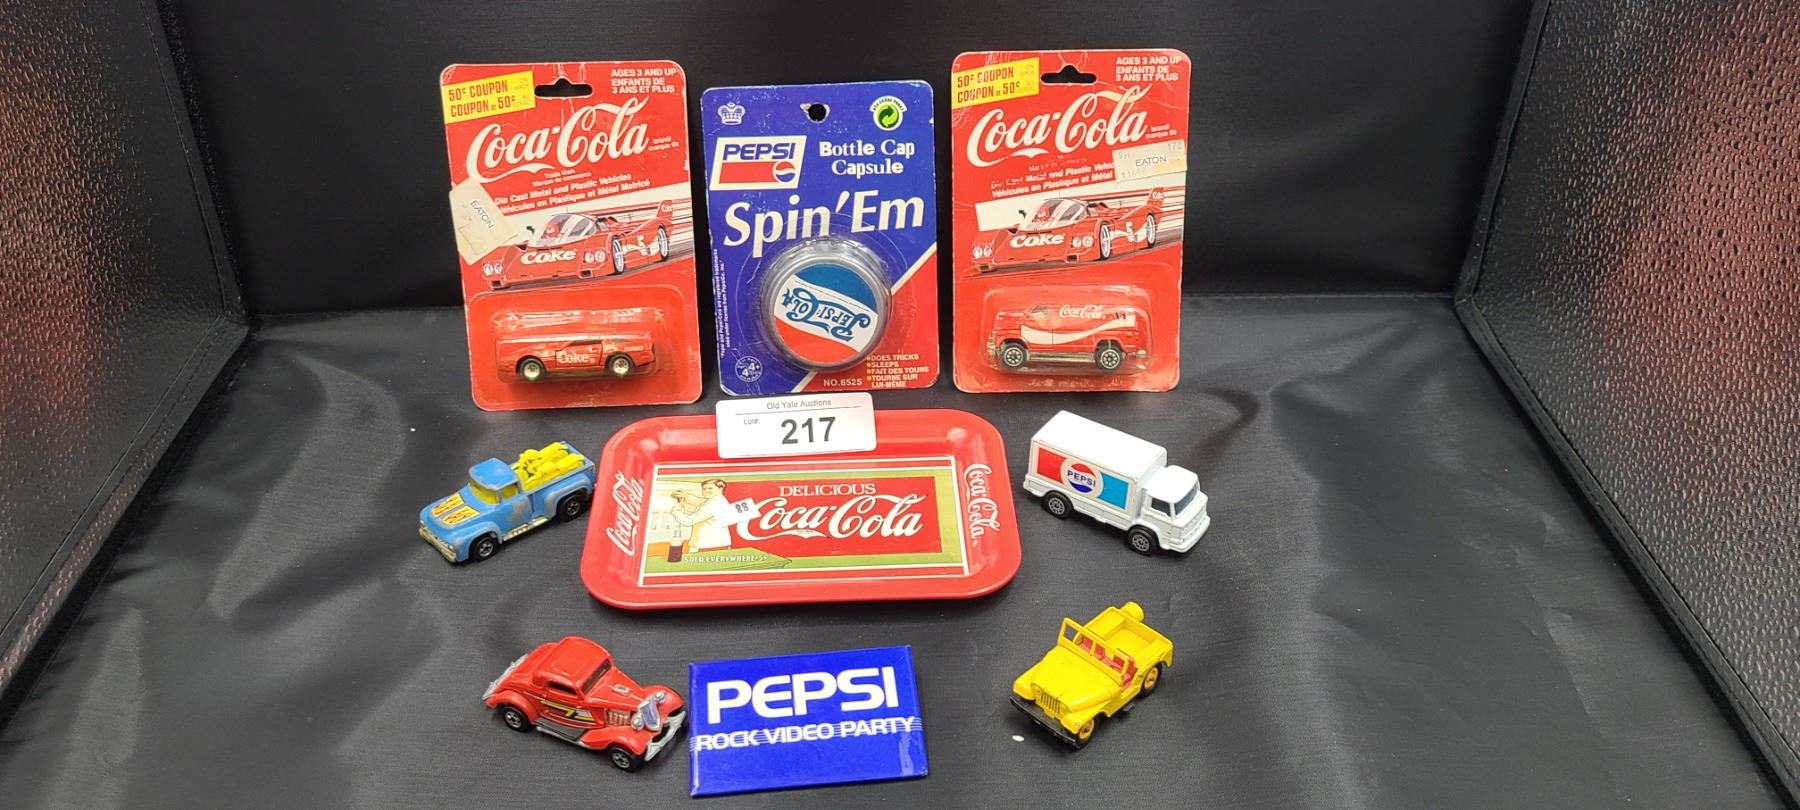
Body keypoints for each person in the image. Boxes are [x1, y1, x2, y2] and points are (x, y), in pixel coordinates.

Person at [667, 479, 731, 562]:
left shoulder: (715, 504)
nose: (706, 491)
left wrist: (677, 512)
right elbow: (700, 501)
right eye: (704, 489)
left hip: (710, 546)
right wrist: (685, 496)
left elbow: (689, 521)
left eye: (710, 488)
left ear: (721, 488)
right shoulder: (716, 500)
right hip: (711, 544)